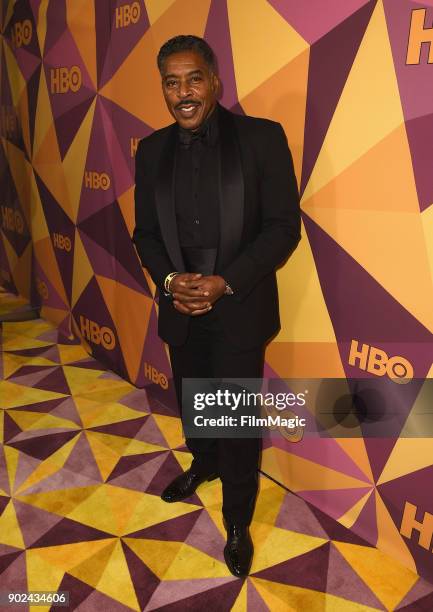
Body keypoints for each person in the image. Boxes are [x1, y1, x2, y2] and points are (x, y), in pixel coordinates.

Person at [132, 34, 301, 577]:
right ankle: (201, 465)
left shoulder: (261, 138)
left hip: (238, 301)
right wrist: (169, 279)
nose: (183, 92)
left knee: (234, 418)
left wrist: (225, 282)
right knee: (194, 400)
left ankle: (236, 518)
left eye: (193, 78)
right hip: (179, 301)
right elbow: (146, 233)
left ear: (214, 81)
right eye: (171, 82)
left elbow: (282, 228)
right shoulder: (152, 149)